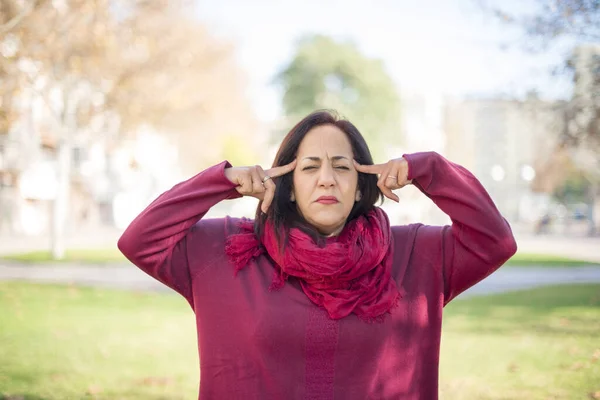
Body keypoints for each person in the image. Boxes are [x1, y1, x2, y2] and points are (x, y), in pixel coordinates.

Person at [118, 109, 517, 400]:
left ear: (362, 186)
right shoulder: (224, 251)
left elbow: (494, 241)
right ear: (288, 185)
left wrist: (428, 168)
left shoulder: (417, 254)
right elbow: (140, 241)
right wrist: (219, 182)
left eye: (341, 167)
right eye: (309, 167)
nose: (327, 178)